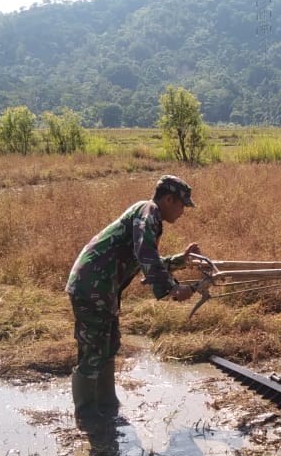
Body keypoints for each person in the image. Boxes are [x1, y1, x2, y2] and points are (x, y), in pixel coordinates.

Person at [66, 174, 200, 429]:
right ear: (169, 199)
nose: (183, 211)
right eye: (182, 205)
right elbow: (146, 255)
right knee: (94, 347)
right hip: (92, 286)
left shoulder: (148, 216)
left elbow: (146, 259)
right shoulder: (148, 212)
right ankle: (86, 415)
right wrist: (173, 288)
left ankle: (106, 404)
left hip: (103, 288)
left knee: (109, 343)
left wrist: (182, 260)